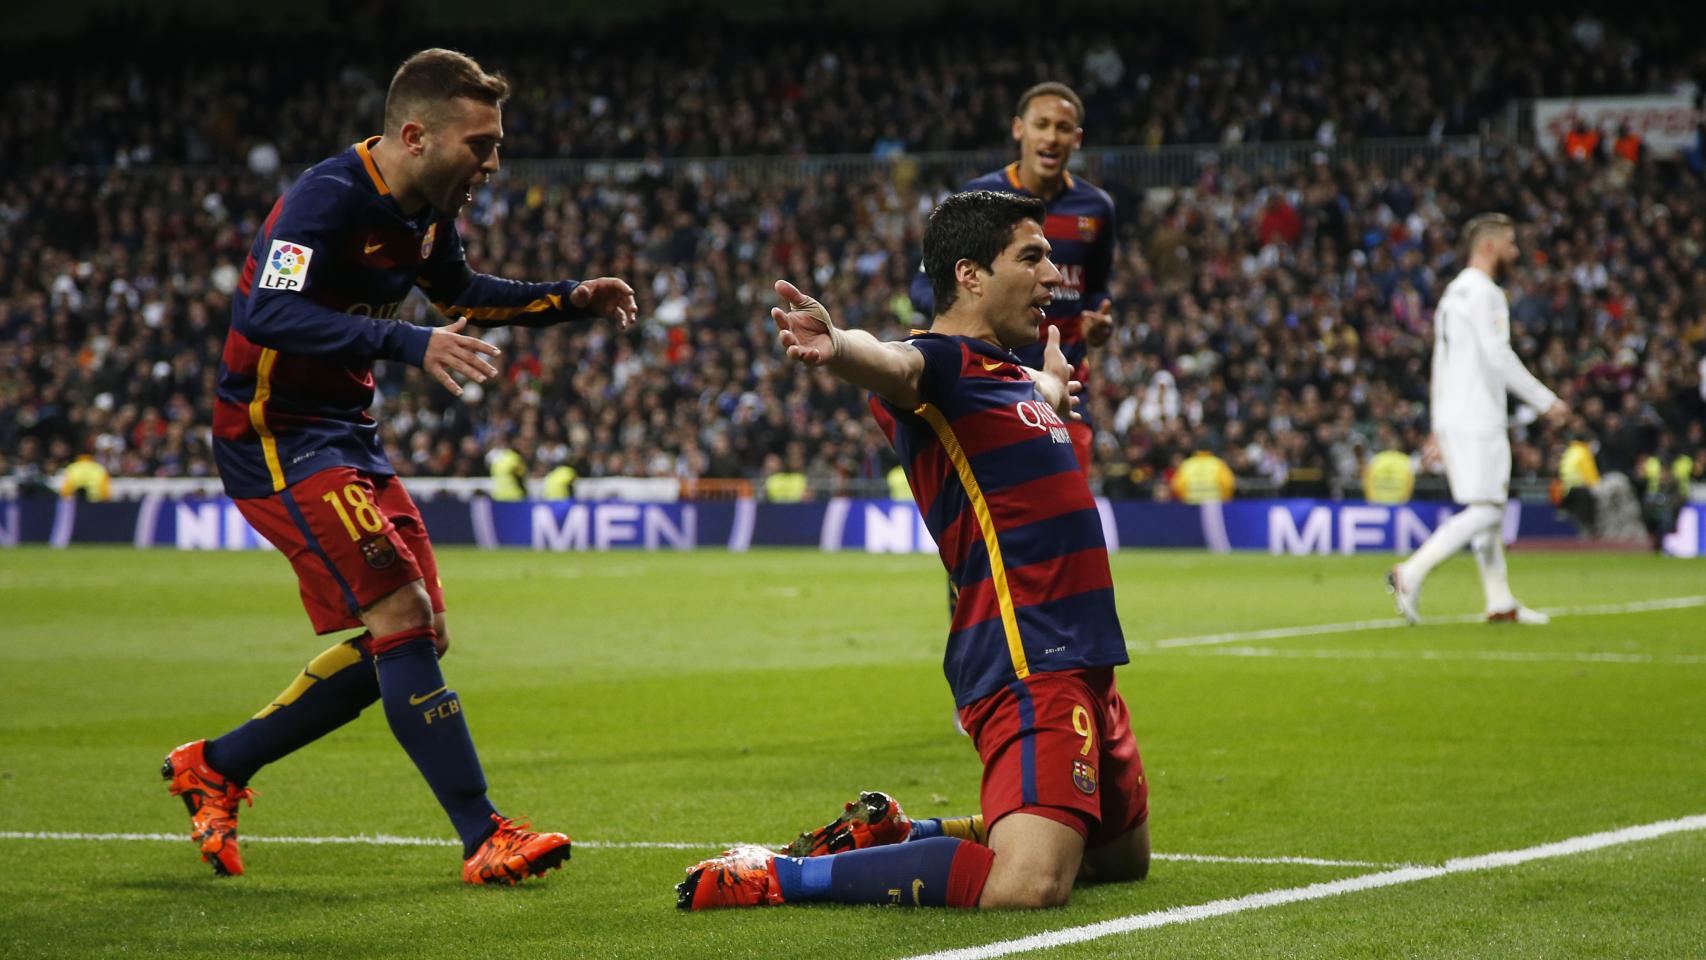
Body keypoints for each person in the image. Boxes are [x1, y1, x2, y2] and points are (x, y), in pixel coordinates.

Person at [163, 48, 639, 885]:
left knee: (418, 635)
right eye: (479, 145)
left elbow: (458, 293)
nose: (492, 164)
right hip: (275, 435)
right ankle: (483, 833)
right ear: (415, 135)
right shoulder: (325, 200)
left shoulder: (422, 209)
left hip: (345, 430)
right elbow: (269, 311)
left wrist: (569, 297)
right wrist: (406, 341)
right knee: (402, 612)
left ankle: (219, 764)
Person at [678, 191, 1149, 911]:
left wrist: (1056, 379)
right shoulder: (941, 365)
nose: (1054, 275)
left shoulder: (1011, 375)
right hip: (1029, 655)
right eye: (1033, 257)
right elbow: (893, 363)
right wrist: (838, 346)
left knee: (1119, 859)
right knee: (1030, 884)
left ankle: (905, 830)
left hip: (1085, 656)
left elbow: (1043, 387)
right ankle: (776, 876)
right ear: (970, 274)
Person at [910, 82, 1115, 475]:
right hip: (989, 385)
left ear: (1077, 138)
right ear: (1019, 129)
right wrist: (978, 301)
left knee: (1064, 514)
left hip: (1064, 391)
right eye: (1042, 124)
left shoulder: (1097, 209)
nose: (1052, 137)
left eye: (1063, 127)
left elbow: (1097, 291)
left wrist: (1099, 323)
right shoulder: (979, 197)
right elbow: (922, 287)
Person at [1387, 213, 1568, 625]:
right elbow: (1497, 355)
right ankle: (1411, 573)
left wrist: (1437, 424)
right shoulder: (1485, 292)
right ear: (1487, 246)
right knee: (1487, 507)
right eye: (1509, 242)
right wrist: (1545, 400)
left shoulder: (1453, 294)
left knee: (1485, 505)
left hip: (1455, 414)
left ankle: (1499, 600)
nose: (1514, 251)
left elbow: (1441, 363)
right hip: (1478, 415)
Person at [1170, 449, 1235, 504]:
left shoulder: (1188, 464)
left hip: (1192, 502)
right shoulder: (1218, 463)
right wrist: (1224, 500)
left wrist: (1185, 499)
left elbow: (1178, 485)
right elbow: (1228, 484)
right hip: (1214, 503)